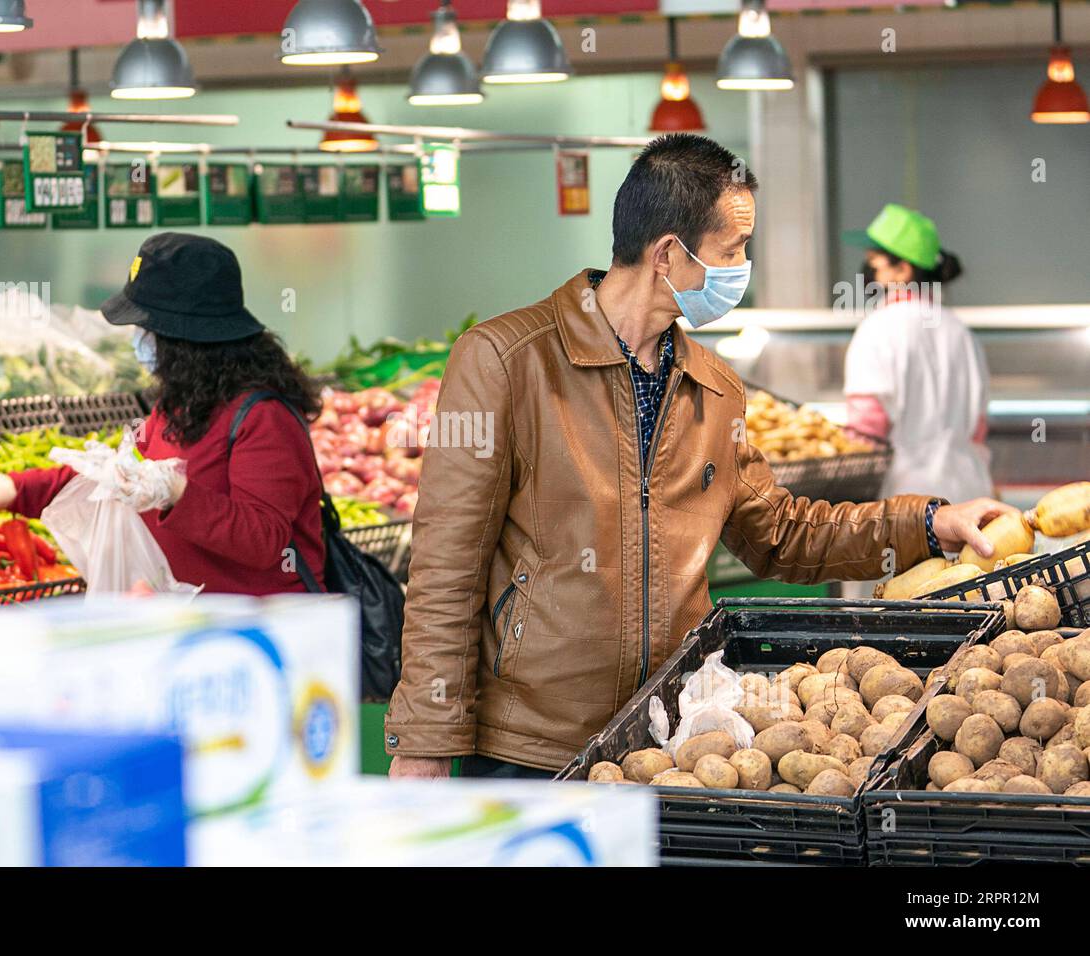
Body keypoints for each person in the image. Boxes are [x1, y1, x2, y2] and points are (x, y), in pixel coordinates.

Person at [386, 134, 1018, 780]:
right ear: (667, 255)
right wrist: (425, 740)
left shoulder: (715, 389)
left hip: (669, 744)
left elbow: (782, 532)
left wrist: (925, 523)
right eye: (734, 251)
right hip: (532, 755)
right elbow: (446, 568)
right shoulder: (505, 362)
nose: (743, 268)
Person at [0, 233, 326, 595]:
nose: (136, 341)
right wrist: (15, 489)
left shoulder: (264, 417)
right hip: (187, 620)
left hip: (263, 634)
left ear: (185, 340)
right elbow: (118, 475)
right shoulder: (182, 402)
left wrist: (177, 493)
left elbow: (263, 540)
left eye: (145, 329)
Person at [841, 203, 993, 503]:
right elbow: (978, 428)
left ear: (903, 269)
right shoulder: (960, 331)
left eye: (875, 260)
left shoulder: (878, 328)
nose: (869, 269)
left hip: (909, 503)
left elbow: (866, 432)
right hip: (970, 493)